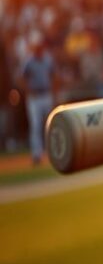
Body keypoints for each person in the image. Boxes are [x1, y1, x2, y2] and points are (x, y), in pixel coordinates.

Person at [18, 31, 55, 165]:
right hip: (34, 97)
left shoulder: (47, 58)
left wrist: (53, 92)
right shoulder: (28, 61)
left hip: (46, 94)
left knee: (49, 124)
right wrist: (28, 91)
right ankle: (37, 154)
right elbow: (21, 78)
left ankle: (52, 151)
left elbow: (53, 75)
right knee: (36, 125)